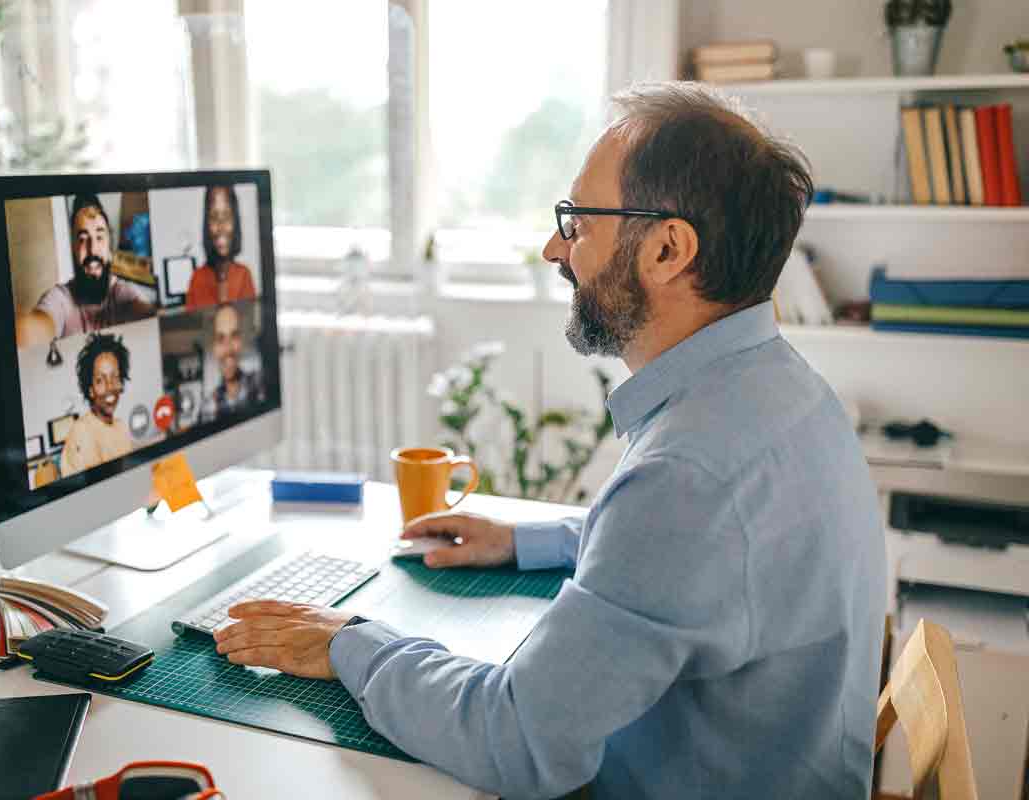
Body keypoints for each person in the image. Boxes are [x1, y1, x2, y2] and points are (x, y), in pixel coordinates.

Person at [211, 83, 887, 799]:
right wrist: (529, 539)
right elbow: (699, 562)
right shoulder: (783, 392)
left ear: (667, 248)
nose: (553, 248)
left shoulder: (688, 476)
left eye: (578, 222)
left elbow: (515, 741)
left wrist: (348, 640)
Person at [17, 195, 156, 347]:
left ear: (110, 248)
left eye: (100, 237)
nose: (92, 249)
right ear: (73, 248)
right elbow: (37, 327)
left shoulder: (125, 293)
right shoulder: (60, 299)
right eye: (83, 239)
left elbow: (144, 314)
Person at [60, 333, 133, 477]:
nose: (109, 386)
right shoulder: (82, 431)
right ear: (90, 390)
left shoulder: (121, 426)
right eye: (100, 380)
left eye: (115, 377)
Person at [184, 185, 258, 310]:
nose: (221, 227)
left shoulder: (244, 274)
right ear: (207, 225)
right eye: (214, 217)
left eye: (227, 216)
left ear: (235, 222)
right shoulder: (197, 278)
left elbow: (249, 325)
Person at [200, 303, 264, 421]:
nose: (228, 348)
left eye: (234, 336)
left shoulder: (261, 385)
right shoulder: (208, 406)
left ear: (241, 340)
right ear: (213, 347)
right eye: (220, 339)